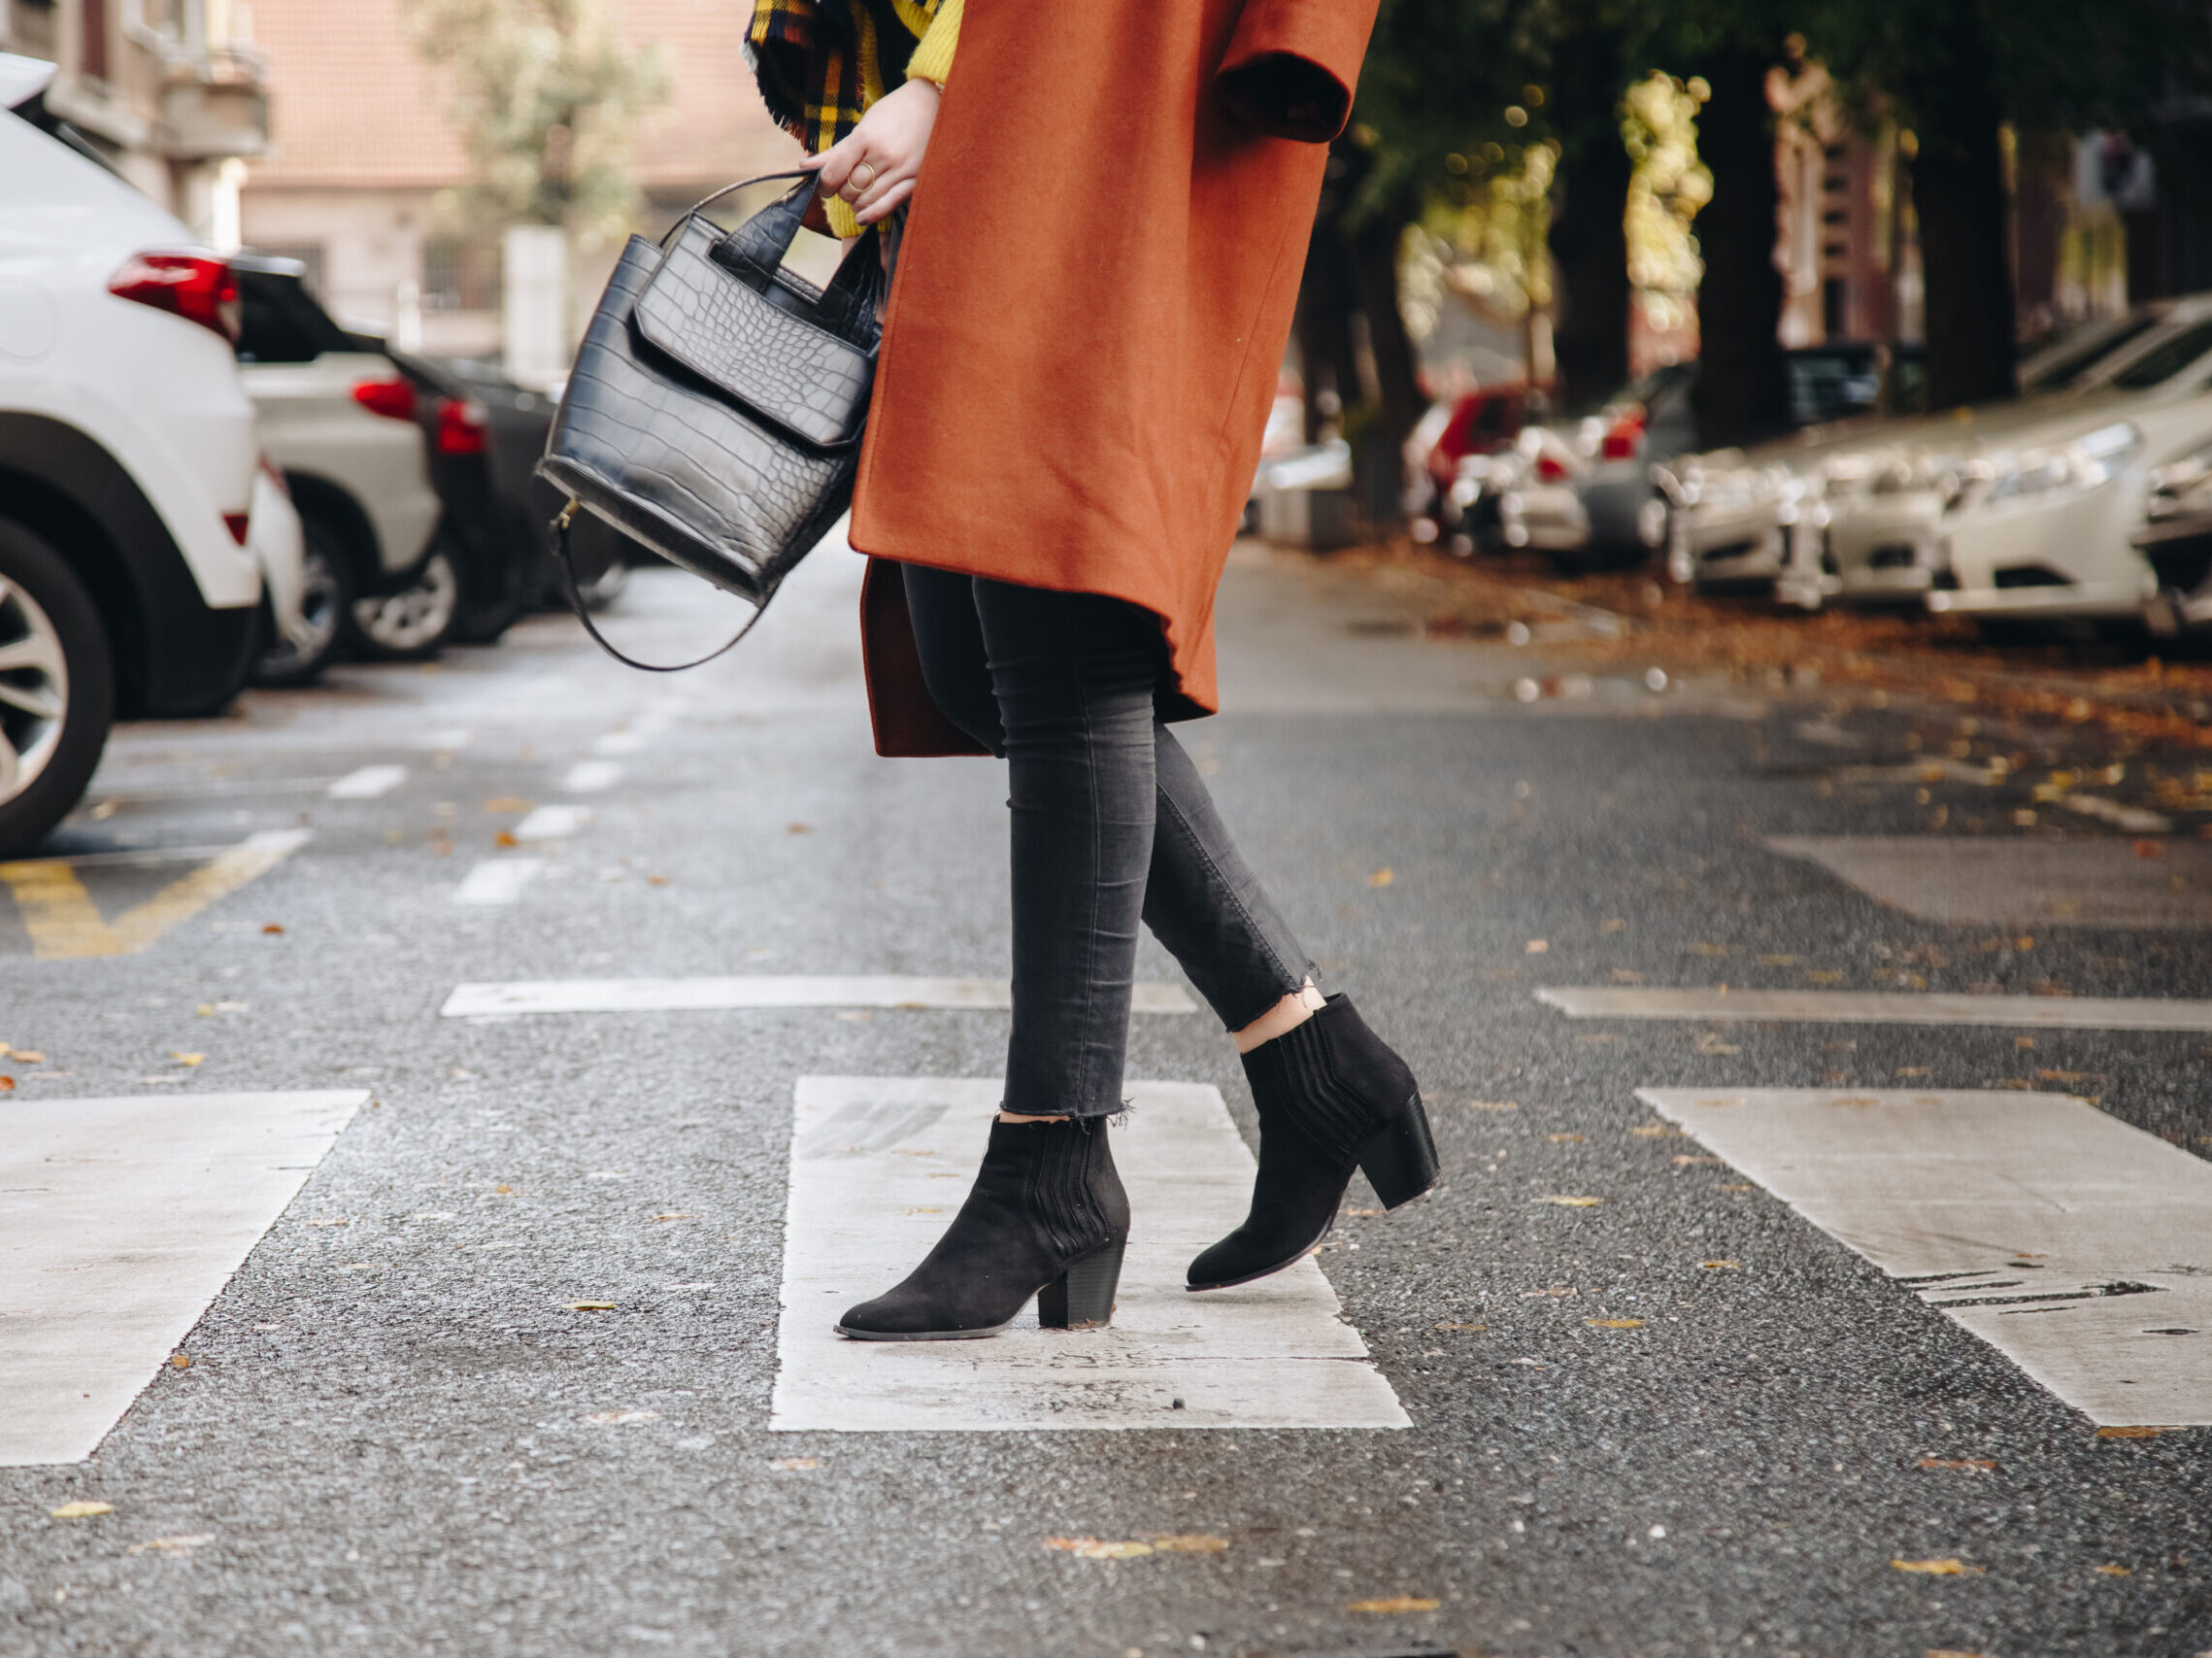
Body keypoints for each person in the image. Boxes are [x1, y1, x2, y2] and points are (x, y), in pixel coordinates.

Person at [745, 0, 1436, 1341]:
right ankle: (1312, 1062)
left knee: (1057, 623)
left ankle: (1052, 1162)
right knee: (966, 653)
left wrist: (952, 84)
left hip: (1090, 94)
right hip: (1014, 109)